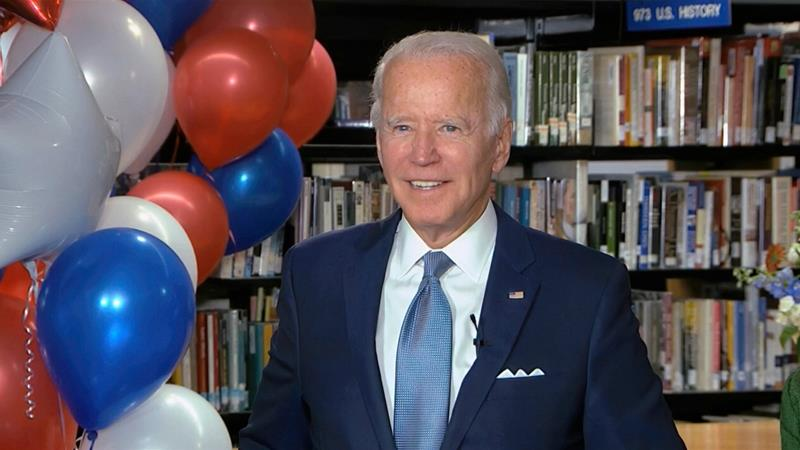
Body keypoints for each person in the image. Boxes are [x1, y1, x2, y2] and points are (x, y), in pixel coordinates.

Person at [240, 31, 685, 449]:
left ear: (499, 145)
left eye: (450, 127)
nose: (422, 153)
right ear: (378, 143)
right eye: (402, 127)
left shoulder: (586, 292)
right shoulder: (315, 276)